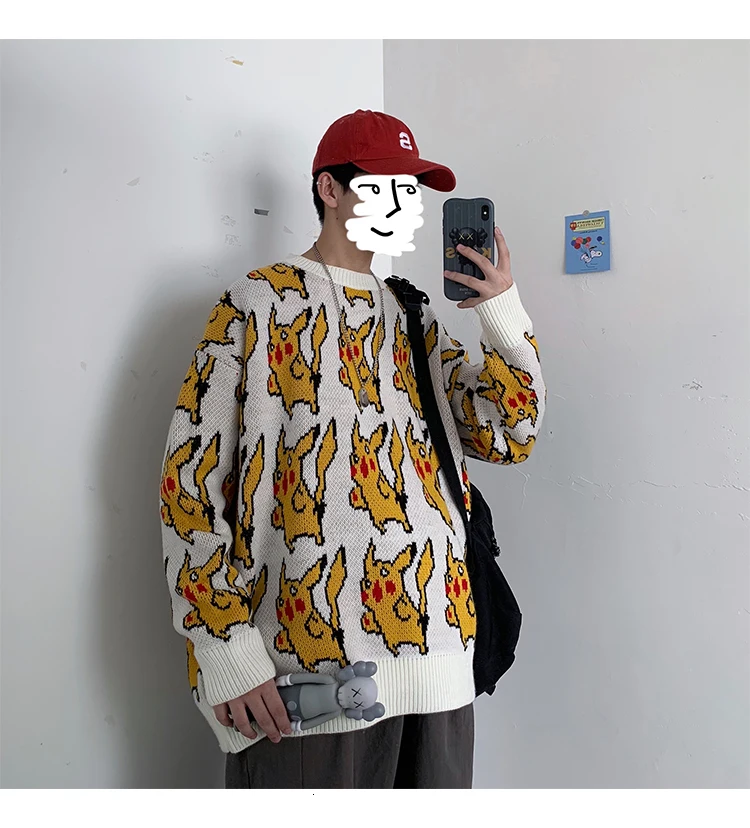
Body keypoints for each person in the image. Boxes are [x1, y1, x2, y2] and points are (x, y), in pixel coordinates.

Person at [159, 109, 546, 789]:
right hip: (307, 675)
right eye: (385, 186)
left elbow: (509, 433)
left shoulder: (414, 315)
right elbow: (189, 486)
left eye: (411, 190)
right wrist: (225, 649)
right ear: (330, 189)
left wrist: (501, 312)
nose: (406, 204)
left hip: (441, 665)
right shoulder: (256, 305)